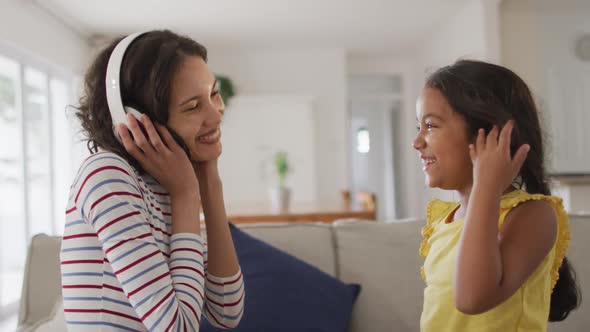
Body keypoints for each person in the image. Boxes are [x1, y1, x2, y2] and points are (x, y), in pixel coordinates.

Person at [60, 30, 244, 331]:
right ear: (136, 119)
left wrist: (209, 183)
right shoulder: (106, 177)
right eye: (194, 106)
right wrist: (186, 195)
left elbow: (227, 311)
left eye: (213, 93)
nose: (217, 114)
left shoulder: (163, 184)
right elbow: (179, 327)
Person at [414, 60, 580, 331]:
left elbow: (471, 299)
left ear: (491, 133)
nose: (417, 141)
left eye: (430, 126)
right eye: (418, 127)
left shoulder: (532, 215)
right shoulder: (446, 220)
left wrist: (486, 187)